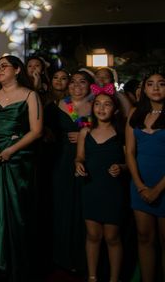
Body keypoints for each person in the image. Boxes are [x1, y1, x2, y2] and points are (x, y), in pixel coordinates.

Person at [0, 55, 42, 281]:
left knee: (17, 212)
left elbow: (36, 130)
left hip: (17, 161)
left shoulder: (31, 95)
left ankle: (16, 269)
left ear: (17, 69)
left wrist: (10, 150)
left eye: (4, 67)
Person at [75, 92, 125, 282]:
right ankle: (92, 276)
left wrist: (121, 167)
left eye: (107, 104)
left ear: (115, 109)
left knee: (112, 236)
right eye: (98, 104)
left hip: (113, 189)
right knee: (93, 234)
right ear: (92, 107)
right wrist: (78, 164)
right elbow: (79, 156)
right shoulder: (85, 131)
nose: (102, 108)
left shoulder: (120, 132)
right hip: (91, 187)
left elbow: (129, 161)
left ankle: (114, 278)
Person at [49, 70, 93, 273]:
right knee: (63, 205)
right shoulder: (61, 104)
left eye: (82, 82)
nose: (76, 86)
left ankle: (84, 258)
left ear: (90, 85)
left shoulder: (97, 104)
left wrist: (86, 134)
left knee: (85, 207)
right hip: (63, 160)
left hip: (90, 160)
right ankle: (62, 256)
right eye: (73, 82)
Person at [125, 72, 165, 282]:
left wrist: (157, 189)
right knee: (144, 237)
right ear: (144, 89)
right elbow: (130, 152)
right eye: (150, 84)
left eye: (161, 83)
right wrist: (140, 186)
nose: (156, 88)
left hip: (163, 186)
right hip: (139, 184)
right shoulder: (135, 113)